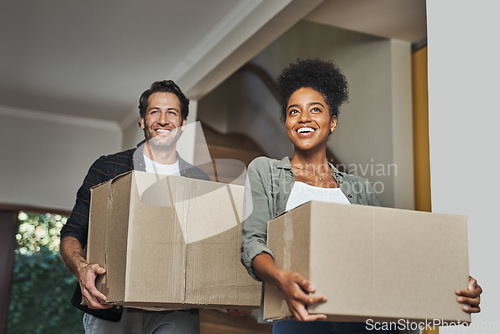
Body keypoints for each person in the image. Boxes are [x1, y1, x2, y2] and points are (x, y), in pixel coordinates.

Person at [240, 59, 482, 334]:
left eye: (315, 110)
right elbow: (252, 243)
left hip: (364, 322)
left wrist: (453, 282)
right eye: (294, 111)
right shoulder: (265, 171)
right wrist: (281, 280)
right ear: (286, 121)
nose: (304, 118)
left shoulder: (359, 188)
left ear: (332, 122)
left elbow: (392, 253)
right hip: (300, 318)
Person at [60, 80, 209, 334]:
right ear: (142, 120)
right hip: (111, 305)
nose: (163, 120)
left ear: (183, 123)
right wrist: (82, 268)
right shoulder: (107, 169)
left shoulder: (199, 182)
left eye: (172, 113)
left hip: (176, 310)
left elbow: (209, 247)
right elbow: (71, 234)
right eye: (154, 112)